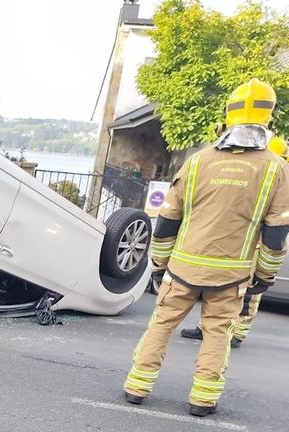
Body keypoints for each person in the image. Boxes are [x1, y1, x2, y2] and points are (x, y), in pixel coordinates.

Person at [123, 78, 289, 417]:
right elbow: (276, 234)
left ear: (228, 115)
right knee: (217, 335)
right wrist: (264, 276)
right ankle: (203, 399)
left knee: (160, 325)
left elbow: (167, 219)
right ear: (268, 117)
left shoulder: (198, 161)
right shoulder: (276, 168)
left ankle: (136, 386)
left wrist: (159, 264)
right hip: (231, 275)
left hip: (182, 269)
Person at [180, 135, 289, 348]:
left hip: (258, 240)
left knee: (248, 292)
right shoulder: (265, 171)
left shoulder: (279, 175)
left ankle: (237, 333)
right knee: (221, 288)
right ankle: (207, 328)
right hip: (244, 238)